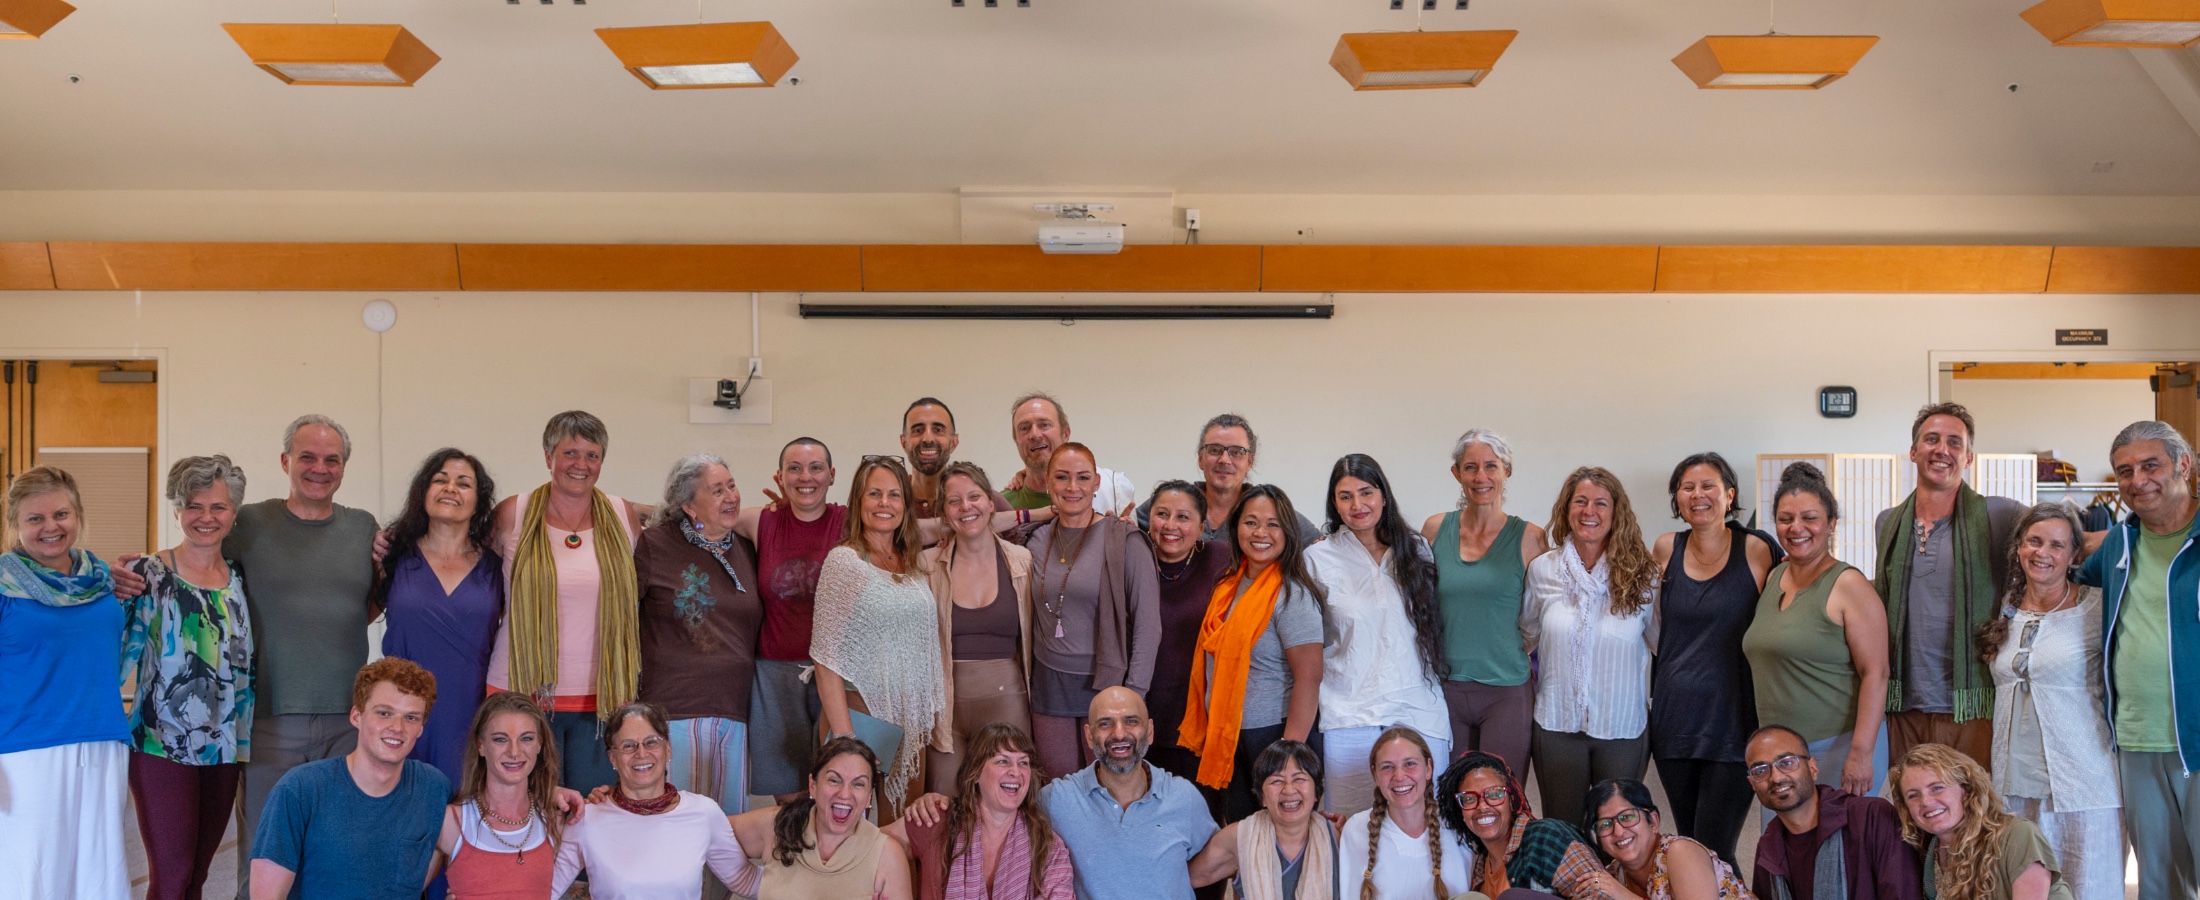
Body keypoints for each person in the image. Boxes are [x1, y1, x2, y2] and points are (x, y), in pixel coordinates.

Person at [216, 414, 381, 897]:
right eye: (307, 457)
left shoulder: (362, 527)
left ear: (344, 467)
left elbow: (369, 603)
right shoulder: (249, 523)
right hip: (269, 716)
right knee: (267, 851)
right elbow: (197, 561)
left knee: (335, 848)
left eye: (332, 460)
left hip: (347, 718)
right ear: (285, 461)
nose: (319, 468)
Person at [2075, 420, 2200, 900]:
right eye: (2124, 471)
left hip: (2197, 739)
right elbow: (2065, 590)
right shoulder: (2118, 544)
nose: (2137, 480)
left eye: (2151, 465)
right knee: (2160, 884)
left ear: (2183, 465)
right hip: (2136, 741)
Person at [123, 456, 256, 900]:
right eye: (194, 506)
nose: (206, 517)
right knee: (172, 878)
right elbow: (110, 649)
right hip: (162, 745)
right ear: (177, 510)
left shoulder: (240, 578)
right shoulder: (148, 573)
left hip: (224, 746)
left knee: (197, 876)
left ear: (233, 512)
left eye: (218, 507)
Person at [1977, 504, 2121, 900]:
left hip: (2083, 782)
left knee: (2088, 887)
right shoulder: (2004, 606)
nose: (2043, 553)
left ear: (2074, 555)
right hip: (2012, 784)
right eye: (2034, 541)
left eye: (2057, 545)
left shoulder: (2097, 606)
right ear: (2019, 547)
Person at [0, 466, 130, 900]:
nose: (50, 527)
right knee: (34, 876)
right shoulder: (3, 586)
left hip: (103, 742)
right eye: (35, 518)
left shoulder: (101, 580)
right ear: (16, 524)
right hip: (25, 751)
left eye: (60, 514)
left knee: (98, 875)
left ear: (77, 516)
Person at [1873, 404, 2025, 768]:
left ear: (1968, 458)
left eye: (1954, 442)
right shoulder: (1887, 523)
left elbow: (2060, 537)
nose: (1942, 449)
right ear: (1914, 451)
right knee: (1910, 800)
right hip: (1902, 702)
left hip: (1970, 702)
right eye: (1932, 439)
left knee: (1971, 801)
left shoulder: (1999, 515)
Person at [1649, 452, 1780, 869]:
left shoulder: (1757, 549)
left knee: (1715, 849)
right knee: (1689, 845)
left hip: (1734, 721)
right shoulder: (1666, 547)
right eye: (1687, 487)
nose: (1697, 495)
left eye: (1708, 486)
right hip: (1674, 719)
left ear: (1730, 495)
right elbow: (1648, 624)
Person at [1306, 454, 1450, 816]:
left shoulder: (1416, 549)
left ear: (1384, 495)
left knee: (1428, 818)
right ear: (1334, 503)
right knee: (1351, 823)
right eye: (1345, 496)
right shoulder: (1317, 558)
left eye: (1366, 492)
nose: (1357, 505)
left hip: (1419, 706)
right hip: (1349, 711)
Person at [249, 657, 454, 900]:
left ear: (420, 728)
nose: (397, 727)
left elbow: (448, 849)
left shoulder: (433, 787)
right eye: (384, 713)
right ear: (356, 716)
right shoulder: (300, 789)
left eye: (410, 718)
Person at [1743, 463, 1891, 796]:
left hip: (1838, 748)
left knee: (1840, 832)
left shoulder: (1848, 584)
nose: (1796, 528)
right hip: (1780, 752)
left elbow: (1877, 673)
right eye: (1785, 519)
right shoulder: (1774, 577)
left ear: (1831, 524)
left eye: (1809, 518)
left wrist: (1861, 753)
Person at [812, 454, 949, 816]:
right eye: (874, 494)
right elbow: (825, 660)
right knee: (848, 824)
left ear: (905, 504)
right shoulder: (845, 562)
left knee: (905, 823)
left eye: (894, 495)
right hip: (860, 712)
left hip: (909, 717)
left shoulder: (911, 559)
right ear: (858, 501)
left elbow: (962, 524)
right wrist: (845, 740)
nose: (884, 503)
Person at [1524, 466, 1660, 830]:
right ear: (1566, 509)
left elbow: (1661, 641)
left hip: (1622, 727)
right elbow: (1524, 635)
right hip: (1557, 725)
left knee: (1621, 832)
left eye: (1601, 503)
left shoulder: (1644, 574)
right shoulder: (1542, 570)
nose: (1589, 511)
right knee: (1563, 829)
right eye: (1580, 501)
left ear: (1616, 513)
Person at [1182, 483, 1326, 822]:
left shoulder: (1292, 594)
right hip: (1230, 734)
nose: (1261, 533)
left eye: (1273, 524)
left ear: (1288, 532)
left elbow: (1309, 678)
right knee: (1244, 836)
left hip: (1274, 736)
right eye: (1251, 522)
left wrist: (1289, 755)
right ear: (1235, 528)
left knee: (1281, 836)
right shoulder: (1229, 584)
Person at [1024, 443, 1163, 777]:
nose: (1073, 487)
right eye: (1062, 477)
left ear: (1096, 482)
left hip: (1107, 686)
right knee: (1057, 788)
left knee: (1109, 785)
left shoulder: (1125, 539)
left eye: (1083, 477)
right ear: (1048, 483)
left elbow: (1148, 627)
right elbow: (979, 522)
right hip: (1049, 686)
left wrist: (1133, 697)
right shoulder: (1034, 539)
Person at [634, 453, 763, 814]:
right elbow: (620, 622)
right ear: (689, 506)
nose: (731, 496)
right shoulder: (655, 545)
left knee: (726, 826)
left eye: (732, 486)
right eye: (717, 491)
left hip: (734, 709)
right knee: (673, 822)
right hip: (673, 710)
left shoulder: (747, 548)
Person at [375, 448, 503, 789]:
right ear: (424, 491)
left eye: (464, 483)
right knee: (401, 802)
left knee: (463, 804)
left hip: (469, 708)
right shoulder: (392, 555)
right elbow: (360, 615)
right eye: (440, 480)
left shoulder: (496, 567)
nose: (450, 488)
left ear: (478, 501)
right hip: (401, 708)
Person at [1421, 428, 1549, 766]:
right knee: (1447, 791)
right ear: (1457, 473)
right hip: (1445, 687)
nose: (1481, 477)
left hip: (1506, 689)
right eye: (1471, 467)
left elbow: (1541, 615)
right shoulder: (1434, 530)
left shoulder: (1531, 538)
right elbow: (1415, 602)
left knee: (1500, 791)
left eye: (1491, 466)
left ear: (1507, 471)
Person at [551, 701, 758, 899]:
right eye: (628, 746)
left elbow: (744, 881)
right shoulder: (587, 818)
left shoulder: (704, 812)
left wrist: (777, 834)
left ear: (667, 750)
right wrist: (543, 796)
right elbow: (547, 889)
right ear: (613, 758)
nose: (641, 753)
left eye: (651, 742)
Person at [921, 462, 1038, 793]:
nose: (966, 507)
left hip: (1008, 700)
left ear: (990, 501)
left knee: (1008, 800)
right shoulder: (927, 566)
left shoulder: (1022, 562)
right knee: (944, 803)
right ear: (944, 512)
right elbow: (897, 532)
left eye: (974, 497)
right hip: (945, 711)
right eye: (954, 501)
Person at [1041, 685, 1220, 900]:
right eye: (1105, 723)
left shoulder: (1183, 796)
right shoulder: (1056, 800)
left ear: (1150, 731)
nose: (1119, 734)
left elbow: (1219, 863)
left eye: (1131, 721)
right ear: (1089, 736)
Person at [745, 436, 847, 803]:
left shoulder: (849, 521)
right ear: (779, 476)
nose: (806, 477)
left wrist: (1015, 514)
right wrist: (616, 507)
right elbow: (699, 512)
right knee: (790, 799)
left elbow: (923, 528)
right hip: (774, 675)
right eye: (795, 468)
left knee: (837, 790)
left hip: (837, 674)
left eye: (816, 468)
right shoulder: (760, 521)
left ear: (832, 475)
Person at [887, 723, 1077, 900]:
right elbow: (874, 844)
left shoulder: (1048, 846)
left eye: (1023, 763)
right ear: (975, 773)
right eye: (1003, 761)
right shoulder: (937, 818)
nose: (1016, 772)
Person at [1743, 725, 1921, 900]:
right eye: (1760, 771)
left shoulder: (1872, 817)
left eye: (1787, 763)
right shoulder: (1768, 847)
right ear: (1752, 784)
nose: (1776, 777)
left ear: (1813, 769)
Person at [733, 736, 916, 900]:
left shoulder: (888, 854)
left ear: (869, 797)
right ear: (813, 786)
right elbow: (716, 830)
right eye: (834, 780)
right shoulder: (780, 824)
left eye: (858, 784)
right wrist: (751, 883)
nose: (845, 794)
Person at [1888, 744, 2073, 900]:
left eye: (1937, 788)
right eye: (1913, 795)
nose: (1926, 802)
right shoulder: (1928, 853)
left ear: (1967, 790)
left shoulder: (2018, 835)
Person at [1144, 480, 1237, 787]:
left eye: (1183, 517)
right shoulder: (1133, 560)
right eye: (1162, 514)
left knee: (1204, 810)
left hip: (1204, 718)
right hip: (1145, 716)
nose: (1171, 525)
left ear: (1201, 528)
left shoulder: (1222, 559)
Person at [432, 692, 563, 900]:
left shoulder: (556, 819)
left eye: (526, 738)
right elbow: (400, 890)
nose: (514, 752)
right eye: (500, 739)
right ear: (481, 745)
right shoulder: (451, 822)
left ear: (539, 744)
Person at [1439, 749, 1603, 900]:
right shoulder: (1479, 869)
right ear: (1460, 811)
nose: (1482, 806)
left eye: (1495, 794)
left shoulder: (1545, 837)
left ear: (1511, 801)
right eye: (1469, 799)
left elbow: (1601, 891)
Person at [1189, 739, 1340, 900]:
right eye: (1277, 781)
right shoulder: (1239, 837)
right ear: (1262, 797)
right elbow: (1186, 878)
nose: (1289, 790)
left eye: (1299, 779)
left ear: (1317, 791)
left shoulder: (1338, 836)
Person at [1135, 414, 1319, 543]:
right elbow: (1128, 528)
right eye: (1214, 450)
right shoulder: (1173, 503)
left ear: (1249, 461)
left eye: (1236, 452)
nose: (1224, 460)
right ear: (1200, 458)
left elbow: (1320, 548)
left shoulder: (1269, 510)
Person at [1337, 727, 1474, 900]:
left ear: (1428, 768)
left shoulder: (1457, 822)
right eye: (1387, 767)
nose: (1400, 776)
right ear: (1375, 774)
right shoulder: (1356, 829)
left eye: (1410, 764)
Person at [1581, 779, 1753, 900]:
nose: (1618, 831)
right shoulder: (1612, 875)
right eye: (1605, 824)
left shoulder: (1680, 852)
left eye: (1627, 817)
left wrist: (1623, 895)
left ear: (1653, 821)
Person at [1000, 392, 1136, 514]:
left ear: (1065, 434)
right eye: (1024, 428)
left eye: (1044, 425)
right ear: (1016, 440)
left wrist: (1124, 533)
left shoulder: (1112, 489)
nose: (1035, 435)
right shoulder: (1000, 506)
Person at [903, 398, 1009, 519]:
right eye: (918, 430)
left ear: (953, 443)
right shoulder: (892, 500)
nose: (928, 439)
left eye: (938, 430)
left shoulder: (983, 501)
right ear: (904, 443)